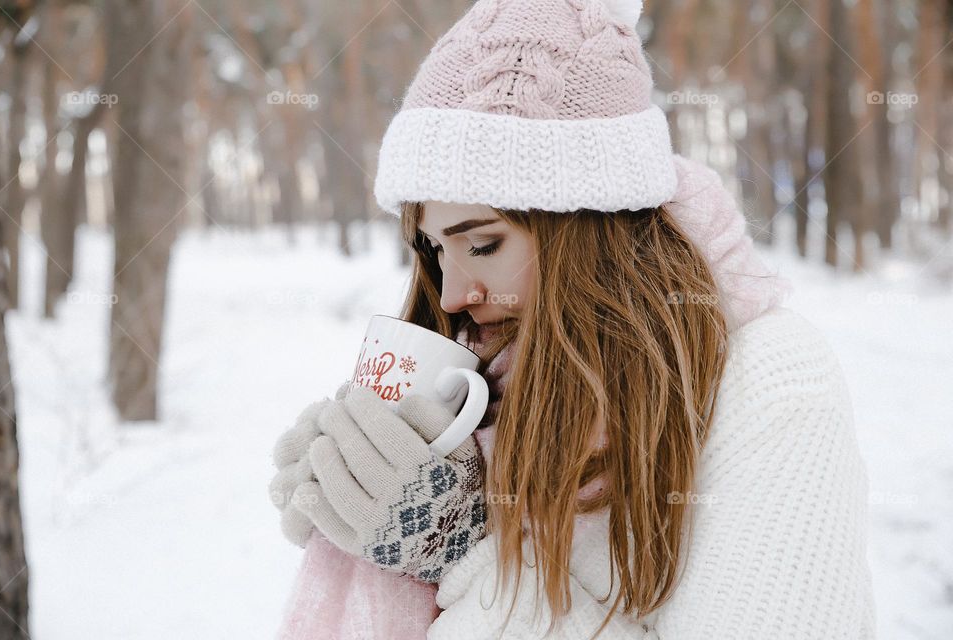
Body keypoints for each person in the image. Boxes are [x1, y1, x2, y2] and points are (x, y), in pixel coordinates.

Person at [270, 0, 878, 637]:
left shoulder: (772, 383)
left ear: (589, 226)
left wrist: (459, 551)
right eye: (433, 250)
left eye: (482, 244)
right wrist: (360, 488)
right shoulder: (489, 387)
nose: (449, 296)